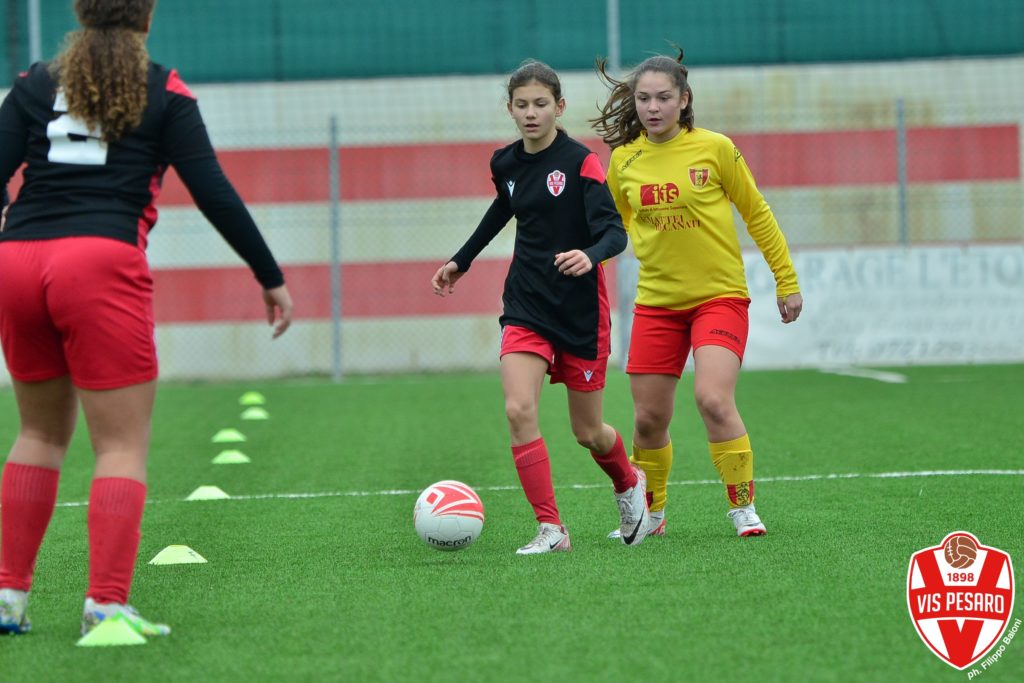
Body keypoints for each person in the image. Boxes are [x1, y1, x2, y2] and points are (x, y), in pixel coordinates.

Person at [0, 0, 293, 637]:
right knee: (120, 445)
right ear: (147, 18)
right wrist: (269, 275)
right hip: (99, 262)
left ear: (80, 13)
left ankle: (8, 599)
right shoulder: (163, 88)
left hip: (18, 262)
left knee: (38, 436)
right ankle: (105, 604)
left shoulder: (33, 82)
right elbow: (212, 188)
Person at [431, 60, 650, 554]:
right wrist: (460, 260)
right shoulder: (505, 163)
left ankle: (629, 482)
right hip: (526, 303)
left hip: (579, 313)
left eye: (541, 104)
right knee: (518, 408)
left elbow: (614, 233)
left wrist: (588, 255)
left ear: (560, 107)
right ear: (509, 109)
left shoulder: (581, 162)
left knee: (588, 431)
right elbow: (504, 207)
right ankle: (551, 530)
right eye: (522, 105)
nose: (531, 114)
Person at [591, 50, 803, 539]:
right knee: (647, 419)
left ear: (684, 100)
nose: (653, 107)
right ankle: (652, 515)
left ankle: (743, 508)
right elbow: (612, 231)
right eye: (643, 98)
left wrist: (786, 281)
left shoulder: (716, 148)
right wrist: (585, 267)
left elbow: (758, 213)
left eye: (664, 97)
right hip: (657, 305)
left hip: (719, 298)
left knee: (711, 398)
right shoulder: (624, 161)